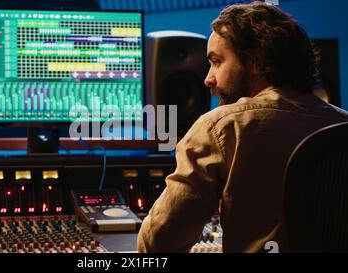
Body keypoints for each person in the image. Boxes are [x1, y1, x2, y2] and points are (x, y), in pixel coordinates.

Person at [137, 1, 348, 253]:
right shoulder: (342, 124)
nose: (208, 79)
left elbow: (158, 244)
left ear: (256, 63)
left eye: (217, 62)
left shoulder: (222, 127)